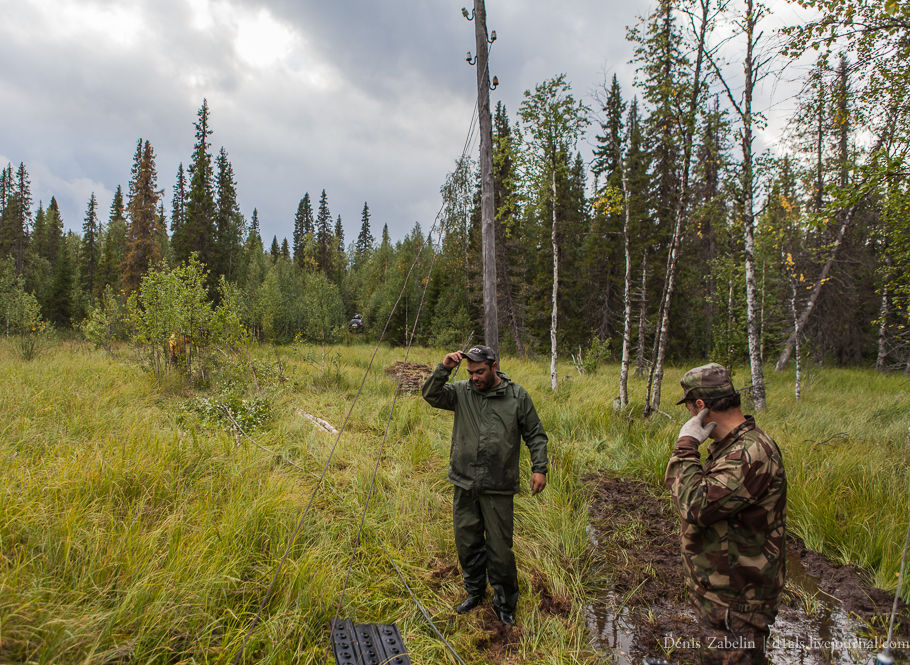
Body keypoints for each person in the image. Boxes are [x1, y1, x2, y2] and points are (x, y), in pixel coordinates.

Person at [664, 363, 787, 665]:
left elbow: (695, 504)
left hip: (736, 602)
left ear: (701, 406)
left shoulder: (750, 453)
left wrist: (686, 444)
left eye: (690, 407)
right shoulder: (734, 447)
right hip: (725, 595)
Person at [422, 345, 549, 627]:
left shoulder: (516, 397)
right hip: (465, 482)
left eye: (479, 372)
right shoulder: (461, 391)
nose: (474, 378)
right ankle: (475, 592)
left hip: (498, 485)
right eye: (470, 372)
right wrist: (443, 368)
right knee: (467, 542)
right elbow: (431, 394)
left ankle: (505, 603)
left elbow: (536, 435)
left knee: (501, 550)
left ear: (494, 367)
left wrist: (539, 468)